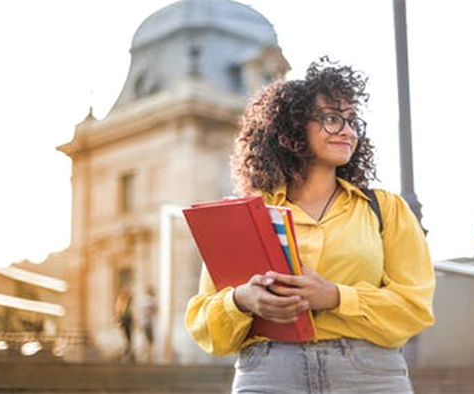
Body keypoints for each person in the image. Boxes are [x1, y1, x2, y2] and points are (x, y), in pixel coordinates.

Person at [185, 57, 435, 393]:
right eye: (332, 118)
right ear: (293, 127)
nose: (347, 131)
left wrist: (334, 296)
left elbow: (415, 308)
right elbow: (205, 325)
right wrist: (242, 300)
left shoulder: (385, 209)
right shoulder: (245, 216)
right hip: (270, 371)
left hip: (368, 375)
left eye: (351, 121)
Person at [114, 288, 134, 360]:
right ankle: (127, 351)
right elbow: (126, 312)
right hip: (126, 321)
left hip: (125, 320)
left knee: (127, 337)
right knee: (127, 337)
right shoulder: (125, 302)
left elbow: (120, 311)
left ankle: (127, 351)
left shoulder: (122, 301)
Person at [142, 285, 158, 362]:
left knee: (148, 339)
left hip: (146, 322)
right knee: (150, 340)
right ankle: (149, 355)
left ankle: (148, 355)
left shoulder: (145, 300)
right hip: (148, 323)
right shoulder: (150, 300)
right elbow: (155, 309)